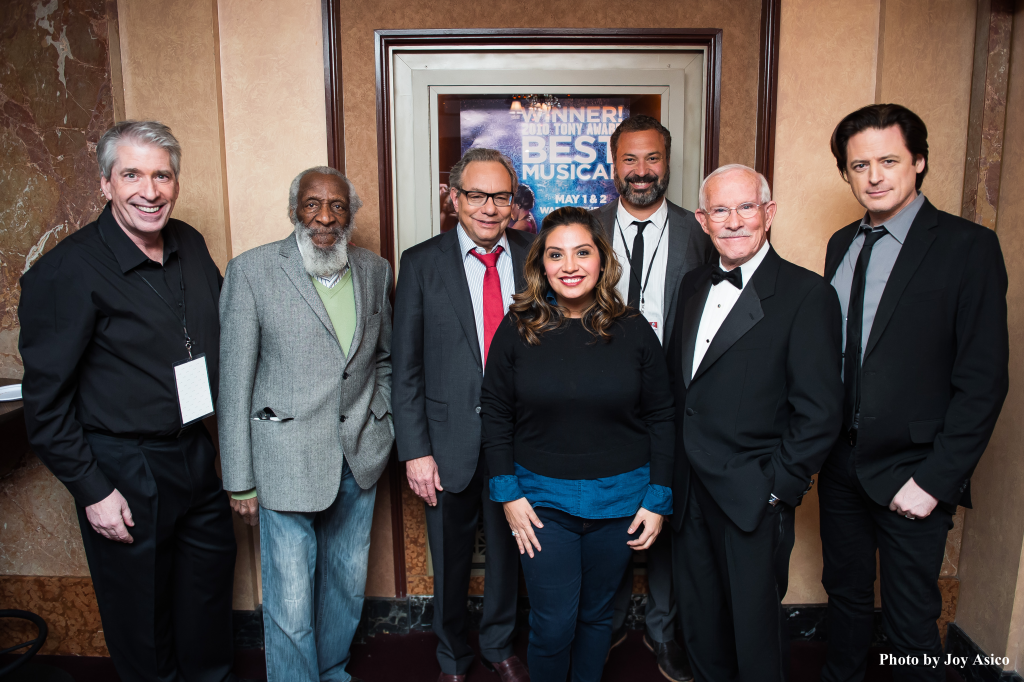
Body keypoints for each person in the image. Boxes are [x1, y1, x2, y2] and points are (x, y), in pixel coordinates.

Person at [18, 120, 238, 682]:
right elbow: (45, 406)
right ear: (105, 184)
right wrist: (93, 489)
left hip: (193, 450)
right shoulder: (65, 271)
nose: (150, 190)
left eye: (162, 175)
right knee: (141, 618)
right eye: (132, 174)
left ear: (176, 183)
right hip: (122, 466)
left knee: (207, 601)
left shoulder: (188, 241)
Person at [819, 104, 1009, 682]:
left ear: (918, 162)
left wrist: (934, 481)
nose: (874, 176)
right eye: (859, 165)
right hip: (840, 465)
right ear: (846, 174)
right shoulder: (839, 244)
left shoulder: (967, 247)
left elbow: (983, 381)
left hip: (914, 471)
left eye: (889, 160)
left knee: (909, 623)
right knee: (845, 602)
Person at [666, 164, 844, 682]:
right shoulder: (693, 283)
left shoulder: (807, 294)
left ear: (769, 213)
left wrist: (777, 491)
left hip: (751, 494)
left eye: (747, 207)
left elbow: (819, 411)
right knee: (699, 627)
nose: (734, 220)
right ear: (703, 220)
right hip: (688, 491)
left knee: (754, 635)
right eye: (720, 210)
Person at [481, 206, 675, 682]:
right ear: (541, 265)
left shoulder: (634, 331)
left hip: (621, 504)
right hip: (541, 505)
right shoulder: (518, 328)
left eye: (582, 252)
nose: (570, 265)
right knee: (553, 624)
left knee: (597, 619)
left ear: (602, 260)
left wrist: (658, 498)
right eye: (556, 254)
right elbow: (496, 412)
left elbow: (663, 417)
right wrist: (507, 492)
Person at [217, 167, 393, 682]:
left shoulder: (374, 270)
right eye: (312, 204)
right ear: (294, 209)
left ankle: (332, 669)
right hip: (284, 459)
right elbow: (234, 382)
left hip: (357, 454)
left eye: (337, 206)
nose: (325, 218)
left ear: (351, 214)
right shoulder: (251, 271)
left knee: (344, 581)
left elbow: (383, 358)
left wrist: (380, 417)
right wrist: (239, 479)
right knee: (291, 596)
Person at [393, 148, 534, 682]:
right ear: (453, 199)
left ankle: (499, 645)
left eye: (501, 195)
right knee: (450, 561)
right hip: (445, 444)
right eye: (476, 195)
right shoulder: (421, 262)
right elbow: (404, 368)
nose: (490, 207)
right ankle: (452, 654)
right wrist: (416, 451)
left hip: (519, 441)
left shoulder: (534, 254)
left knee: (510, 554)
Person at [593, 113, 714, 681]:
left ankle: (665, 630)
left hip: (675, 401)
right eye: (630, 160)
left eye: (653, 159)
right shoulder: (583, 229)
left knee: (669, 512)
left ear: (668, 163)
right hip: (600, 402)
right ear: (612, 165)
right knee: (607, 510)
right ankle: (610, 620)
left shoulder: (701, 230)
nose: (642, 172)